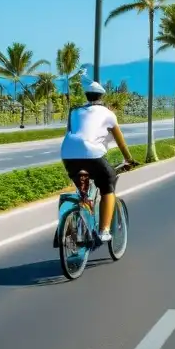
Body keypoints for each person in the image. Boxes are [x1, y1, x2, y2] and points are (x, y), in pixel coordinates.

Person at [60, 80, 136, 243]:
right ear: (102, 96)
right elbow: (120, 141)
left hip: (68, 154)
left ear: (87, 96)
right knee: (108, 184)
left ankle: (80, 220)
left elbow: (73, 132)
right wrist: (129, 159)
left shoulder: (74, 112)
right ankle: (104, 231)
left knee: (83, 187)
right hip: (92, 155)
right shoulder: (108, 114)